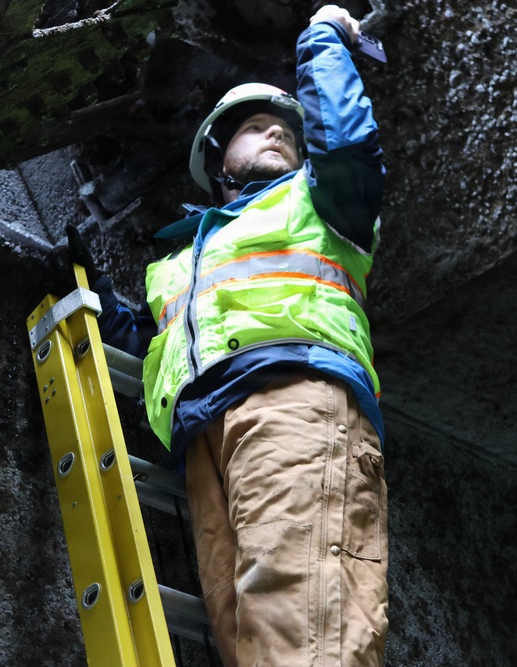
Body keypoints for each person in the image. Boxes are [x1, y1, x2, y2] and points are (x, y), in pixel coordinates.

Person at [88, 5, 388, 665]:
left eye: (288, 131)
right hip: (205, 441)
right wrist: (95, 299)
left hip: (293, 400)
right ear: (219, 158)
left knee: (306, 636)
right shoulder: (180, 262)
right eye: (254, 126)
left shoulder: (322, 203)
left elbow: (345, 142)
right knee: (249, 644)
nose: (275, 131)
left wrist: (322, 39)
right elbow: (161, 352)